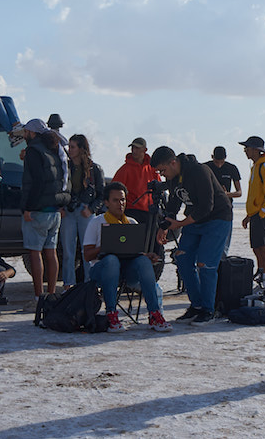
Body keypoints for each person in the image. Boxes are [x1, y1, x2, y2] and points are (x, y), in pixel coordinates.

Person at [152, 145, 233, 326]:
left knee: (205, 264)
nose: (163, 175)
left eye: (163, 170)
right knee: (182, 259)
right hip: (195, 221)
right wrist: (164, 226)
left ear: (173, 163)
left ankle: (208, 310)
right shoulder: (174, 177)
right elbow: (174, 203)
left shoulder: (199, 171)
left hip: (217, 219)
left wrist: (180, 224)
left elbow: (207, 206)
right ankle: (196, 306)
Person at [83, 181, 171, 332]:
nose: (120, 204)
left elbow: (134, 252)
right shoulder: (96, 222)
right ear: (106, 203)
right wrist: (105, 247)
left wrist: (147, 256)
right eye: (115, 200)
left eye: (123, 200)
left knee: (143, 261)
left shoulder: (131, 222)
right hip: (102, 270)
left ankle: (154, 314)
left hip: (126, 271)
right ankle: (111, 313)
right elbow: (87, 256)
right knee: (111, 260)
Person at [19, 118, 69, 303]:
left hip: (38, 209)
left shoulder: (34, 151)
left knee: (35, 252)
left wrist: (28, 208)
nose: (25, 135)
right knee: (51, 252)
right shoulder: (55, 149)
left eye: (26, 132)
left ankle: (39, 297)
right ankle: (52, 294)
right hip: (54, 209)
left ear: (32, 133)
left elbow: (37, 181)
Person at [60, 133, 103, 289]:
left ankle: (90, 284)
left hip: (86, 212)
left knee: (89, 251)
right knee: (68, 252)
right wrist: (60, 207)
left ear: (81, 149)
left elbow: (101, 194)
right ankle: (68, 284)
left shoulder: (94, 169)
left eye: (72, 147)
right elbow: (60, 189)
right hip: (69, 211)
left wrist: (91, 209)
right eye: (69, 147)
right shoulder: (65, 167)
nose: (69, 150)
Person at [239, 136, 265, 288]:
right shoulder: (255, 166)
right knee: (256, 247)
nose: (245, 151)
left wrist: (262, 212)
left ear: (256, 150)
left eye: (247, 148)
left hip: (263, 215)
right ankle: (260, 273)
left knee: (263, 248)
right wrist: (249, 215)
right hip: (255, 215)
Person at [206, 145, 243, 256]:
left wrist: (226, 194)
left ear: (226, 158)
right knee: (208, 244)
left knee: (223, 246)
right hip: (208, 210)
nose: (219, 165)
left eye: (221, 162)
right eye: (216, 162)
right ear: (212, 157)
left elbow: (239, 192)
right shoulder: (205, 167)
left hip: (225, 210)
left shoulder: (231, 168)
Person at [113, 138, 161, 212]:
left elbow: (159, 187)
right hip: (131, 210)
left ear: (145, 150)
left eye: (137, 148)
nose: (134, 151)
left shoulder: (152, 169)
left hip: (150, 211)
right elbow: (113, 190)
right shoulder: (125, 169)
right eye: (133, 148)